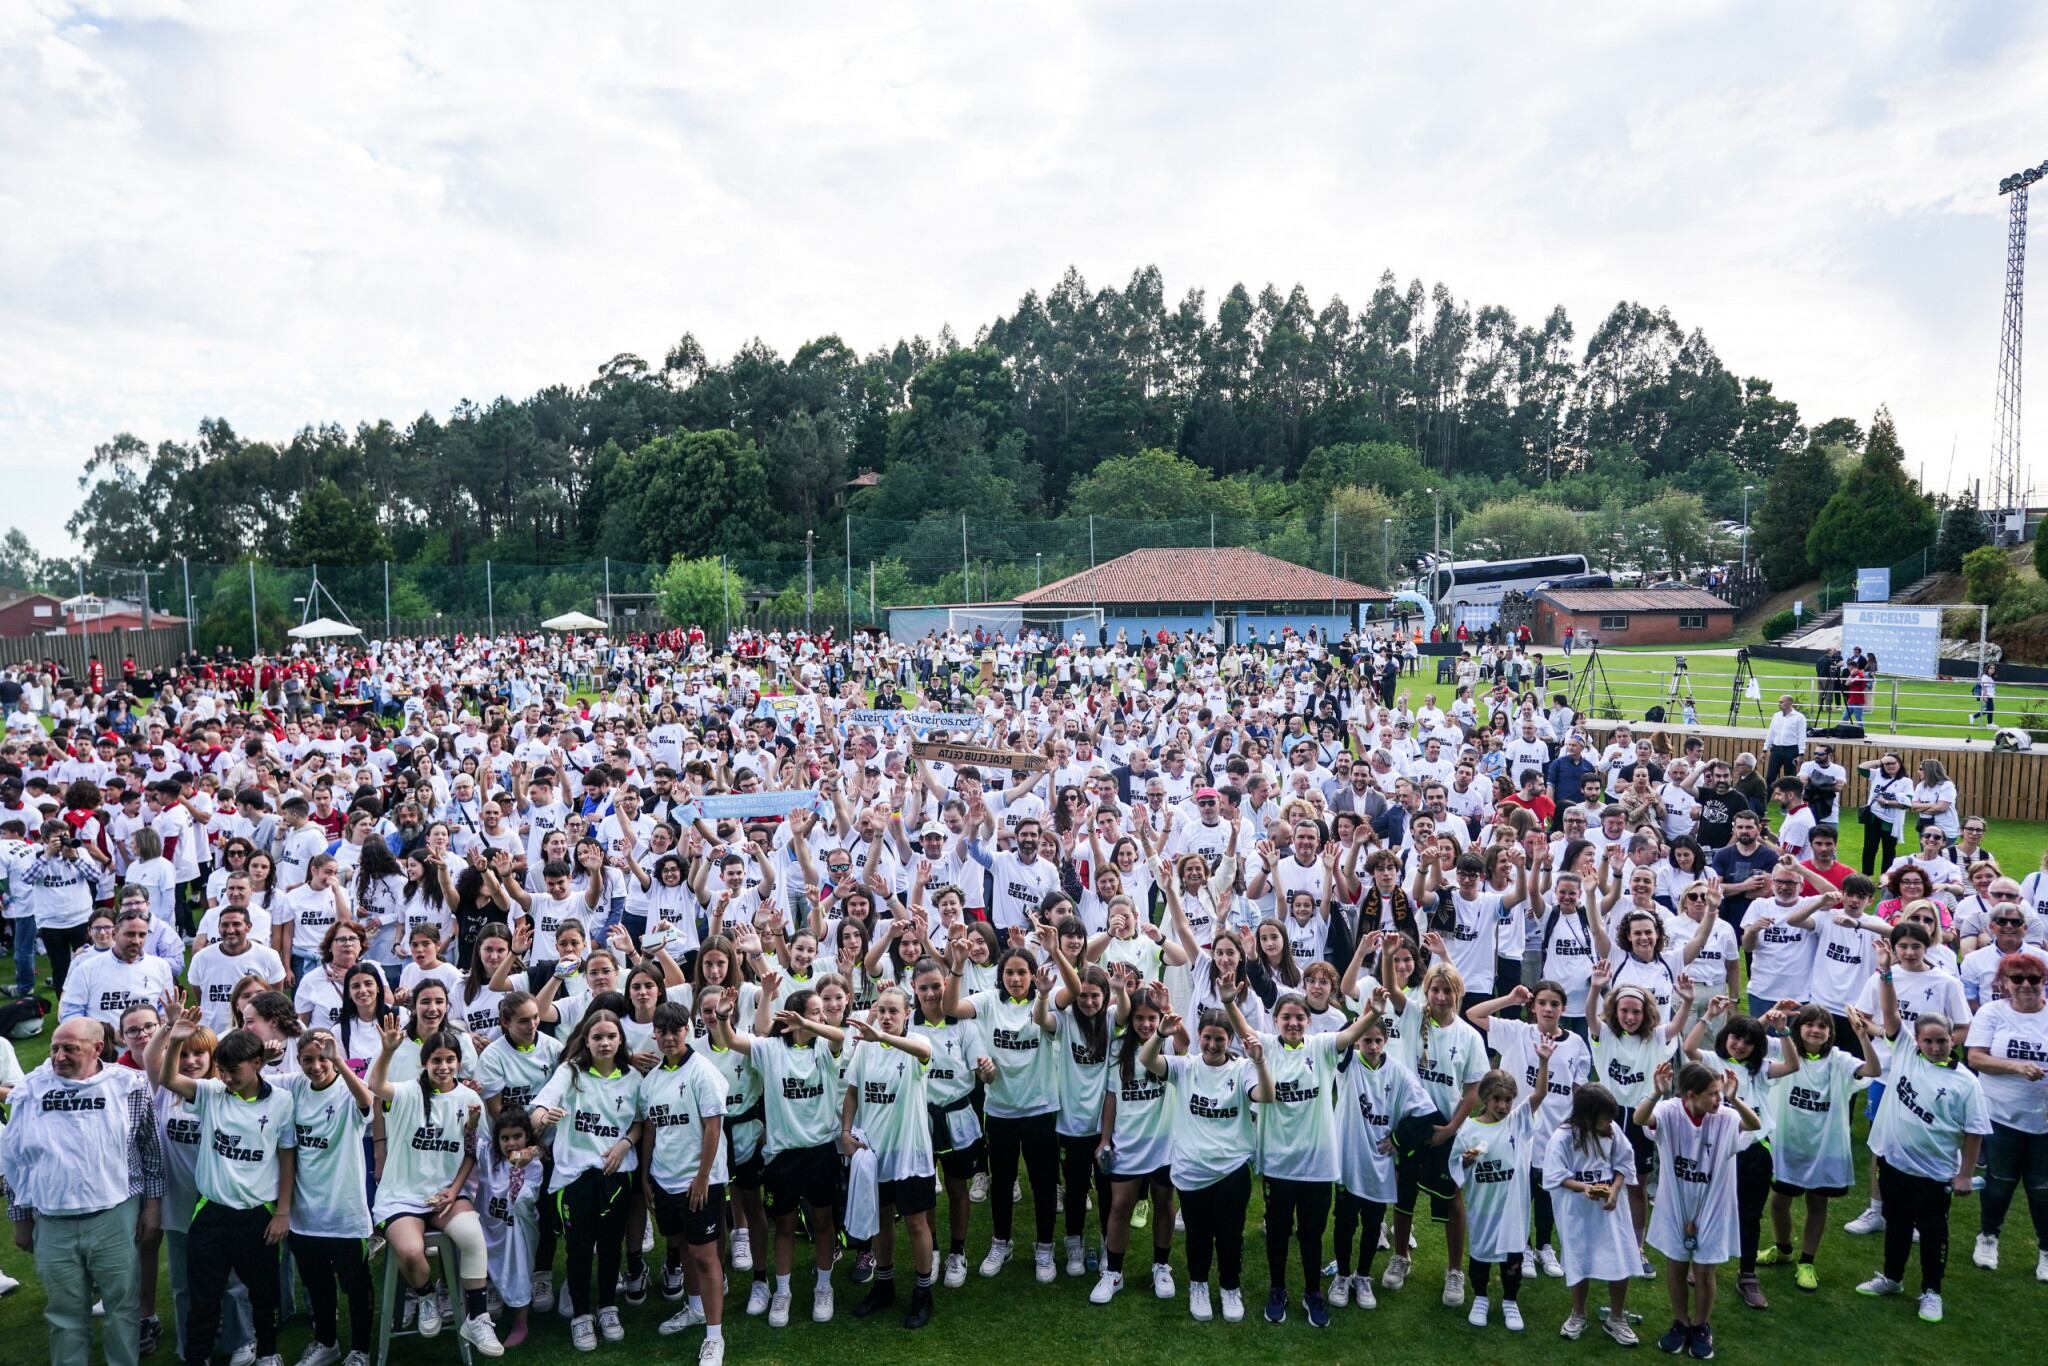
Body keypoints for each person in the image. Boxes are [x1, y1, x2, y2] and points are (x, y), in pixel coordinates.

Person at [0, 1016, 165, 1366]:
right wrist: (20, 1220)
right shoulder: (32, 1089)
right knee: (64, 1312)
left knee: (122, 1307)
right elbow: (14, 1161)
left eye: (70, 1048)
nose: (59, 1055)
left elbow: (150, 1151)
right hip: (52, 1220)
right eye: (55, 1047)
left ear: (97, 1048)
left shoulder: (129, 1086)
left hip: (115, 1216)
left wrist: (152, 1208)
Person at [154, 1010, 296, 1366]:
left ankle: (267, 1353)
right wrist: (175, 1040)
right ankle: (197, 1357)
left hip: (257, 1215)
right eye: (223, 1070)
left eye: (235, 1070)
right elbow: (169, 1078)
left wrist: (282, 1212)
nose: (227, 1077)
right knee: (203, 1296)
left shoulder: (281, 1101)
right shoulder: (211, 1092)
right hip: (211, 1213)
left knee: (263, 1294)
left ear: (258, 1063)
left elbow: (287, 1158)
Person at [367, 1018, 503, 1356]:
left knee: (472, 1235)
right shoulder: (408, 1091)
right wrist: (386, 1052)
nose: (443, 1067)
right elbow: (376, 1084)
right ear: (425, 1063)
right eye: (436, 1060)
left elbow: (472, 1152)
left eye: (449, 1060)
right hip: (402, 1193)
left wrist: (454, 1191)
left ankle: (477, 1317)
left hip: (447, 1193)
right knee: (412, 1253)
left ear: (458, 1062)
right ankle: (426, 1295)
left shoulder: (470, 1098)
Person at [712, 980, 843, 1329]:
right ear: (793, 1016)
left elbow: (839, 1037)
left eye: (822, 1012)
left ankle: (823, 1286)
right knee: (784, 1225)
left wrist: (809, 1024)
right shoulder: (770, 1049)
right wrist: (723, 1015)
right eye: (815, 1011)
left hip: (821, 1150)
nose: (824, 1015)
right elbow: (731, 1040)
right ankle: (782, 1291)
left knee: (823, 1221)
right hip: (782, 1154)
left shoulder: (825, 1047)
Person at [1856, 991, 1990, 1324]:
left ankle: (1932, 1291)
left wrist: (1963, 1175)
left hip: (1935, 1174)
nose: (1935, 1047)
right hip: (1894, 1164)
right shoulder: (1903, 1052)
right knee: (1896, 1224)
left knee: (1932, 1234)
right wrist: (1886, 974)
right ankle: (1892, 1277)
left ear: (1952, 1040)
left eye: (1941, 1041)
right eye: (1928, 1041)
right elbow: (1889, 1015)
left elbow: (1974, 1133)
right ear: (1915, 1040)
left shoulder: (1966, 1083)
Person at [1141, 992, 1275, 1323]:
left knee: (1230, 1233)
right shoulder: (1185, 1067)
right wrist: (1160, 1033)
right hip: (1192, 1168)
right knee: (1198, 1233)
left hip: (1231, 1168)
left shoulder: (1242, 1068)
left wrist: (1259, 1061)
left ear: (1229, 1040)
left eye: (1219, 1039)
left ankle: (1230, 1287)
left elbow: (1267, 1096)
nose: (1213, 1045)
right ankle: (1198, 1285)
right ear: (1199, 1037)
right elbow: (1147, 1060)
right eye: (1207, 1038)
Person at [942, 942, 1061, 1282]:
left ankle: (1044, 1247)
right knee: (1002, 1181)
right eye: (1009, 972)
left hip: (1040, 1108)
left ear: (1033, 974)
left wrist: (1043, 990)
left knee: (1042, 1183)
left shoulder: (1046, 1000)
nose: (1015, 978)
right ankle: (1001, 1242)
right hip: (1001, 1110)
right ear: (1001, 975)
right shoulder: (988, 1001)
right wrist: (958, 964)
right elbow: (950, 1007)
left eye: (1022, 972)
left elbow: (1060, 1006)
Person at [531, 1008, 645, 1349]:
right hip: (573, 1176)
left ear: (621, 1040)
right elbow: (539, 1109)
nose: (605, 1042)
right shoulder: (571, 1072)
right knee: (579, 1248)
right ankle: (581, 1315)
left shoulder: (633, 1078)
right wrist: (543, 1117)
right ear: (586, 1041)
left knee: (611, 1246)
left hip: (616, 1175)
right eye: (597, 1037)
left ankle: (608, 1306)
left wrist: (624, 1144)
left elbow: (639, 1123)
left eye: (611, 1036)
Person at [1634, 1059, 1763, 1361]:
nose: (1718, 1099)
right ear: (1690, 1095)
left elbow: (1754, 1125)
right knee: (1676, 1267)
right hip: (1675, 1202)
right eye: (1713, 1094)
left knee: (1704, 1272)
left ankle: (1702, 1325)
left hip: (1714, 1205)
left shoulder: (1727, 1116)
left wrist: (1733, 1098)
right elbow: (1641, 1120)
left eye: (1719, 1093)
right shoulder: (1669, 1111)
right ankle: (1680, 1322)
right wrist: (1655, 1093)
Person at [838, 986, 939, 1329]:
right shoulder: (865, 1050)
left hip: (911, 1152)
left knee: (915, 1222)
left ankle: (923, 1291)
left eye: (894, 1011)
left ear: (908, 1013)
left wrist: (881, 1035)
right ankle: (884, 1285)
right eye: (882, 1010)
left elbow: (924, 1050)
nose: (887, 1016)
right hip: (873, 1153)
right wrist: (846, 1132)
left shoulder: (916, 1044)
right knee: (880, 1220)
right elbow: (852, 1092)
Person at [1759, 1003, 1875, 1290]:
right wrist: (1770, 1014)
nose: (1815, 1030)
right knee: (1779, 1202)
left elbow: (1873, 1069)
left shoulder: (1839, 1060)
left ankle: (1807, 1261)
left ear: (1830, 1033)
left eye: (1822, 1026)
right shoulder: (1785, 1049)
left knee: (1817, 1202)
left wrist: (1862, 1036)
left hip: (1825, 1146)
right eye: (1809, 1024)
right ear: (1798, 1028)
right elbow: (1746, 1038)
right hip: (1788, 1142)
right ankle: (1783, 1248)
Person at [641, 1000, 733, 1362]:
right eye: (662, 1032)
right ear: (655, 1034)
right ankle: (694, 1309)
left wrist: (703, 1177)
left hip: (699, 1181)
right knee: (681, 1248)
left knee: (705, 1256)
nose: (668, 1038)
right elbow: (651, 1128)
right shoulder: (652, 1080)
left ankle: (715, 1336)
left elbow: (714, 1126)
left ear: (688, 1030)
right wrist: (647, 1175)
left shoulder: (703, 1072)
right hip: (664, 1179)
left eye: (675, 1031)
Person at [281, 1028, 376, 1366]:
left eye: (323, 1058)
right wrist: (267, 1053)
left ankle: (361, 1349)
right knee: (318, 1286)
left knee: (356, 1286)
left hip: (345, 1215)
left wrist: (339, 1061)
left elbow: (367, 1102)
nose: (316, 1066)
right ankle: (326, 1342)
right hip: (305, 1216)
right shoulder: (293, 1085)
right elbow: (254, 1081)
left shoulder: (348, 1090)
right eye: (308, 1059)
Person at [1450, 1041, 1554, 1332]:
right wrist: (1467, 1162)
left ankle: (1510, 1300)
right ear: (1484, 1097)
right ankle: (1480, 1297)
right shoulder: (1469, 1128)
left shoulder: (1518, 1122)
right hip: (1484, 1204)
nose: (1503, 1106)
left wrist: (1543, 1061)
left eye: (1508, 1100)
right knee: (1481, 1253)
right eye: (1497, 1099)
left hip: (1513, 1207)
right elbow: (1456, 1165)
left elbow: (1541, 1093)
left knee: (1512, 1255)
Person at [1963, 951, 2048, 1277]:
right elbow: (1977, 1058)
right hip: (1999, 1114)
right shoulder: (1992, 1013)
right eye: (2017, 979)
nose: (2026, 985)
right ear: (2005, 983)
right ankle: (1988, 1236)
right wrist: (2016, 1067)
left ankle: (2045, 1249)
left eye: (2034, 979)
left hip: (2042, 1119)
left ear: (2043, 982)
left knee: (2042, 1189)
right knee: (1999, 1182)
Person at [1544, 1084, 1642, 1346]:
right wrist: (1585, 1187)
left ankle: (1617, 1317)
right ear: (1588, 1115)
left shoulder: (1612, 1132)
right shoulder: (1563, 1137)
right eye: (1605, 1116)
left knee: (1619, 1258)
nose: (1610, 1122)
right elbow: (1555, 1175)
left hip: (1611, 1209)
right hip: (1576, 1210)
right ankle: (1578, 1313)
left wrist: (1614, 1190)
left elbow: (1623, 1164)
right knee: (1579, 1258)